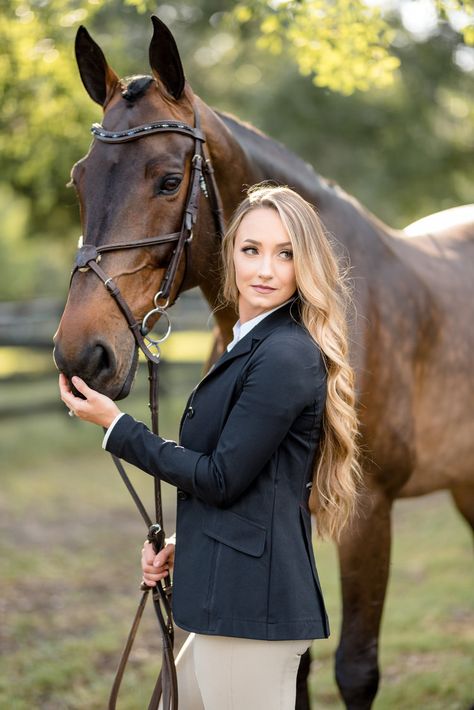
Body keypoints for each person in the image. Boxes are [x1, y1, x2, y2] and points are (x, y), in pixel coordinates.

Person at [59, 183, 362, 710]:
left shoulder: (285, 354)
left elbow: (220, 478)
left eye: (285, 254)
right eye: (252, 250)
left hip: (250, 612)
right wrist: (188, 544)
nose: (265, 270)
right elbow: (252, 480)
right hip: (229, 601)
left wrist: (117, 426)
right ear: (230, 255)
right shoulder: (250, 342)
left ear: (304, 265)